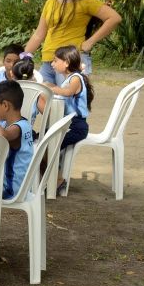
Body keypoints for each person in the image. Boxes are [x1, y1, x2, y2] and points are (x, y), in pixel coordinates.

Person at [24, 0, 121, 85]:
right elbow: (39, 34)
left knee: (69, 103)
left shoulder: (86, 1)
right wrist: (25, 56)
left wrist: (90, 42)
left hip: (71, 62)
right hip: (49, 62)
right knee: (40, 101)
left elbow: (114, 18)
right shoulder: (51, 2)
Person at [37, 45, 93, 192]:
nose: (52, 64)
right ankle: (46, 178)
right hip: (66, 124)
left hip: (76, 126)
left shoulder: (76, 78)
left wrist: (51, 88)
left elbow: (68, 92)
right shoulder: (68, 78)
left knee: (49, 145)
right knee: (40, 139)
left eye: (55, 61)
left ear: (66, 62)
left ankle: (57, 180)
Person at [0, 81, 34, 200]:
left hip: (11, 189)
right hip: (17, 185)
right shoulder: (10, 123)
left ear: (5, 105)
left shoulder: (19, 127)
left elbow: (2, 135)